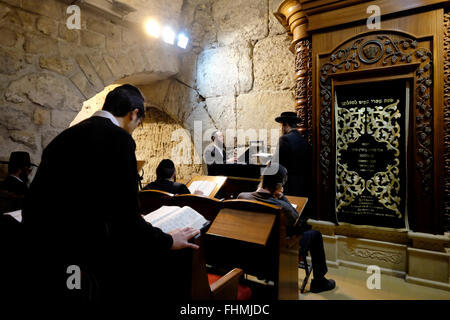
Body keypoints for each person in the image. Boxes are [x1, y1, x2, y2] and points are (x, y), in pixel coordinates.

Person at [20, 84, 200, 304]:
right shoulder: (119, 139)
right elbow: (126, 221)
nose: (136, 128)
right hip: (81, 261)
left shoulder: (65, 136)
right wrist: (168, 240)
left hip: (38, 253)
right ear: (134, 113)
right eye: (139, 122)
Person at [237, 164, 336, 293]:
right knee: (315, 234)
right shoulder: (282, 207)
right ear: (278, 186)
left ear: (263, 179)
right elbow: (295, 218)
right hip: (278, 253)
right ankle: (319, 282)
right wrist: (281, 196)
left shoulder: (242, 197)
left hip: (252, 253)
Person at [273, 111, 311, 197]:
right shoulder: (303, 140)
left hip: (287, 185)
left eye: (282, 125)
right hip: (302, 185)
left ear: (285, 124)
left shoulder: (284, 139)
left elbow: (277, 164)